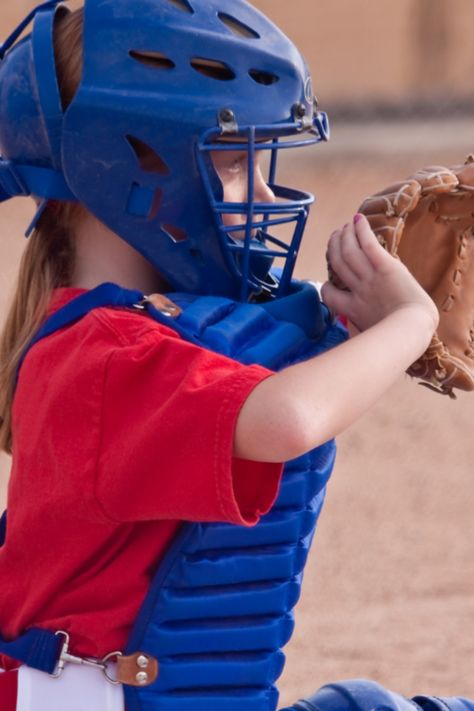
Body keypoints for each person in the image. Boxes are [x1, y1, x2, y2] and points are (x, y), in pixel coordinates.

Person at [0, 1, 458, 711]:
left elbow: (262, 353)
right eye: (240, 164)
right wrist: (409, 323)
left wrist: (351, 302)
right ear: (142, 164)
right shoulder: (104, 356)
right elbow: (288, 417)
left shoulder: (125, 333)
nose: (269, 194)